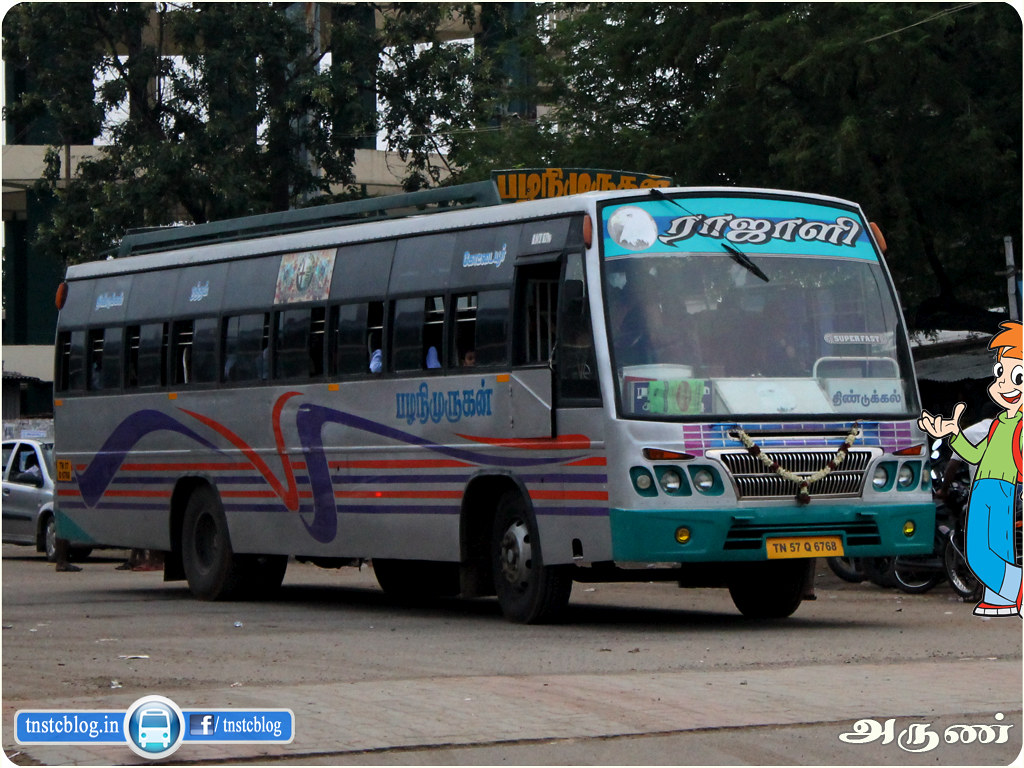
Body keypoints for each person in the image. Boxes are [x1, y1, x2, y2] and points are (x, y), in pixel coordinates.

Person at [919, 320, 1022, 617]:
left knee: (980, 546)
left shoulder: (986, 428)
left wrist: (943, 484)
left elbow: (957, 460)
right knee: (994, 546)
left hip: (990, 490)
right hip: (1007, 490)